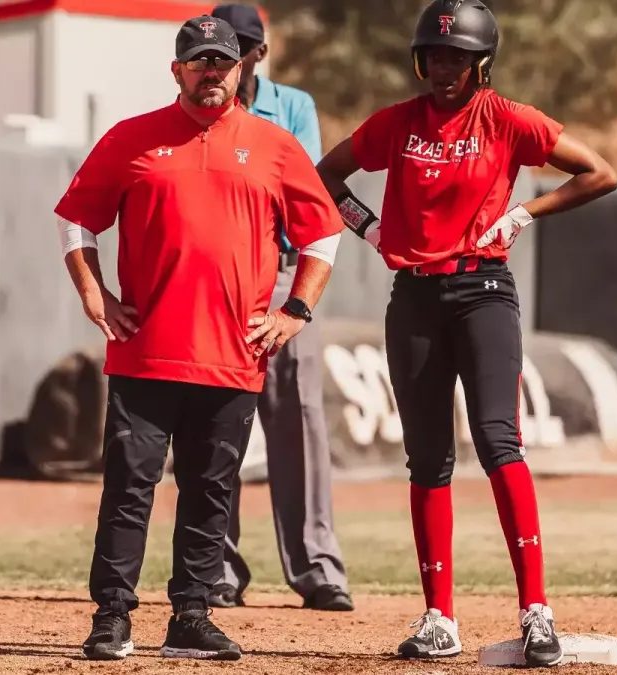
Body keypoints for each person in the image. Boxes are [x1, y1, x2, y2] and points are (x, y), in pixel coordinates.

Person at [315, 0, 617, 667]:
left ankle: (537, 611)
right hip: (413, 299)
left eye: (459, 57)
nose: (445, 68)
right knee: (427, 459)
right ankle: (438, 619)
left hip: (483, 292)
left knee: (497, 439)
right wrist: (367, 227)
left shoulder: (507, 119)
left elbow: (600, 172)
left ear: (482, 65)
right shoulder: (397, 123)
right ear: (421, 60)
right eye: (436, 56)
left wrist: (523, 216)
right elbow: (324, 174)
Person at [55, 14, 345, 662]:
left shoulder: (272, 144)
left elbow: (323, 231)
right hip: (146, 351)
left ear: (241, 69)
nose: (212, 71)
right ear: (178, 70)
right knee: (129, 486)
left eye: (223, 61)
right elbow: (77, 219)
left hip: (234, 355)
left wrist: (295, 307)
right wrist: (94, 292)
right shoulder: (133, 138)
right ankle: (112, 615)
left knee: (211, 489)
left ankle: (192, 612)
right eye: (200, 61)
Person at [206, 2, 354, 613]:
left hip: (284, 270)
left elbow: (305, 191)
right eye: (213, 47)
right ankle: (215, 567)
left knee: (299, 419)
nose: (223, 56)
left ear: (257, 54)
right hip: (221, 276)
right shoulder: (203, 110)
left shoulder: (291, 108)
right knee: (216, 422)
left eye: (236, 45)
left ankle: (317, 568)